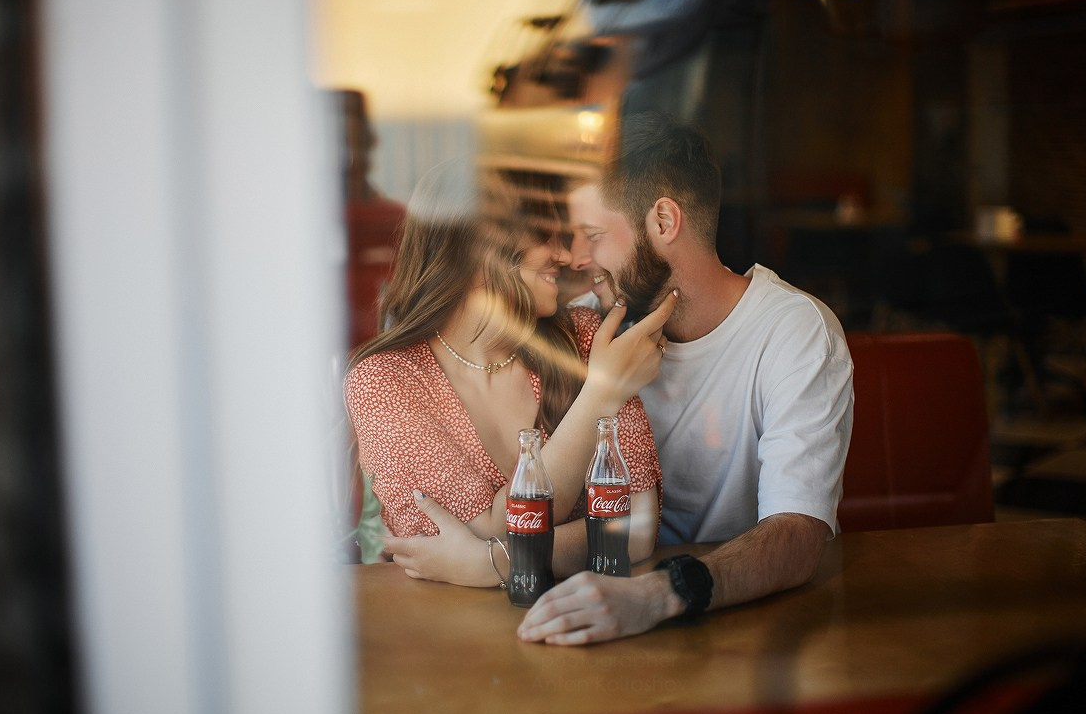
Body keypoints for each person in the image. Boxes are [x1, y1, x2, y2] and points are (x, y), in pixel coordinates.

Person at [516, 112, 854, 644]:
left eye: (593, 235)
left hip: (742, 622)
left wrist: (659, 594)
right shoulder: (583, 327)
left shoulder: (794, 331)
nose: (576, 258)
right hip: (591, 607)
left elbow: (799, 534)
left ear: (664, 221)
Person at [345, 157, 677, 587]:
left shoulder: (585, 338)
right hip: (450, 625)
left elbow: (638, 528)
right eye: (544, 235)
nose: (564, 255)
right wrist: (600, 394)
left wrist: (491, 562)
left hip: (585, 618)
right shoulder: (385, 382)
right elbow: (468, 535)